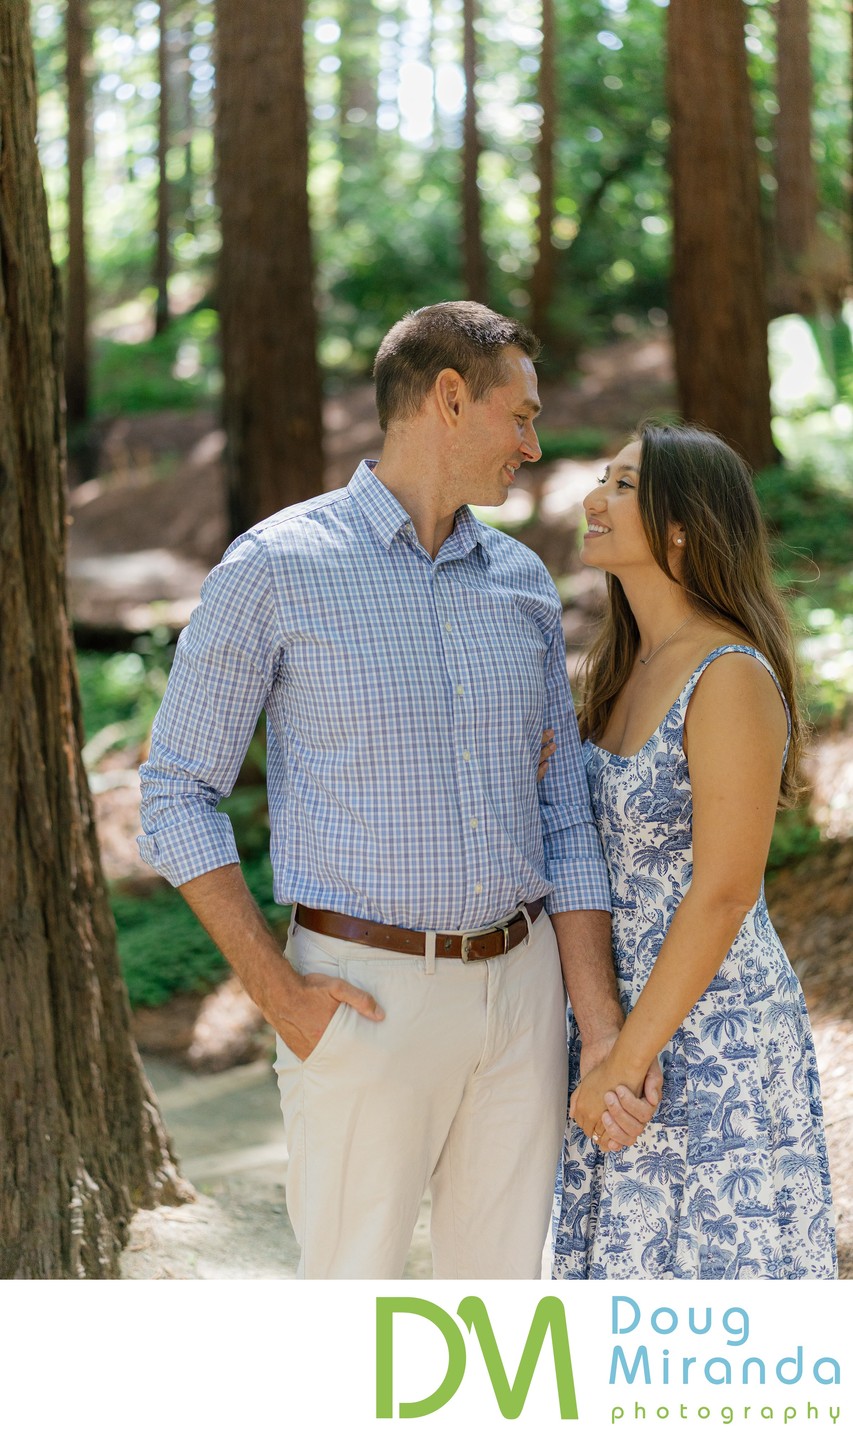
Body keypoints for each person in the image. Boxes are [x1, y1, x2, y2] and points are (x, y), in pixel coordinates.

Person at [138, 301, 658, 1280]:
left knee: (497, 1307)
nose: (533, 446)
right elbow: (174, 792)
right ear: (449, 398)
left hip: (523, 991)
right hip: (364, 998)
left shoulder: (521, 582)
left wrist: (596, 1028)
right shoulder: (276, 567)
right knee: (354, 1297)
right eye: (520, 416)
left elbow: (562, 817)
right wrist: (280, 996)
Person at [551, 421, 837, 1280]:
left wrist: (624, 1063)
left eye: (623, 485)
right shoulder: (621, 668)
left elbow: (723, 891)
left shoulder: (728, 673)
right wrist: (605, 1043)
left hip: (713, 1037)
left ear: (681, 526)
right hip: (617, 1030)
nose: (593, 498)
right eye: (600, 478)